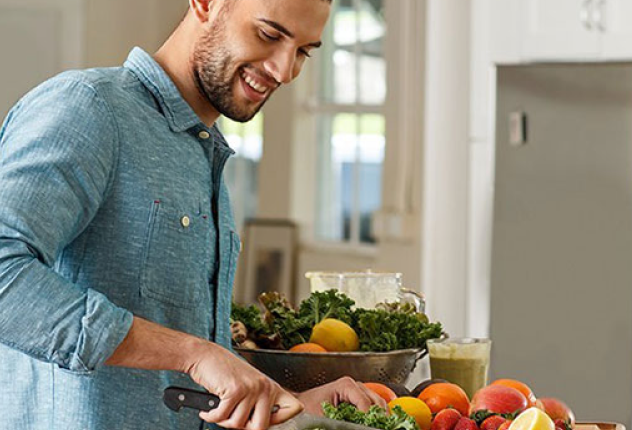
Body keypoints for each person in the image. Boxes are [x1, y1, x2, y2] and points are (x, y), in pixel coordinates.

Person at [0, 0, 385, 428]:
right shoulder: (89, 109)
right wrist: (192, 353)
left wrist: (288, 401)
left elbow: (175, 373)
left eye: (303, 51)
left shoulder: (201, 154)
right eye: (270, 35)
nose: (285, 70)